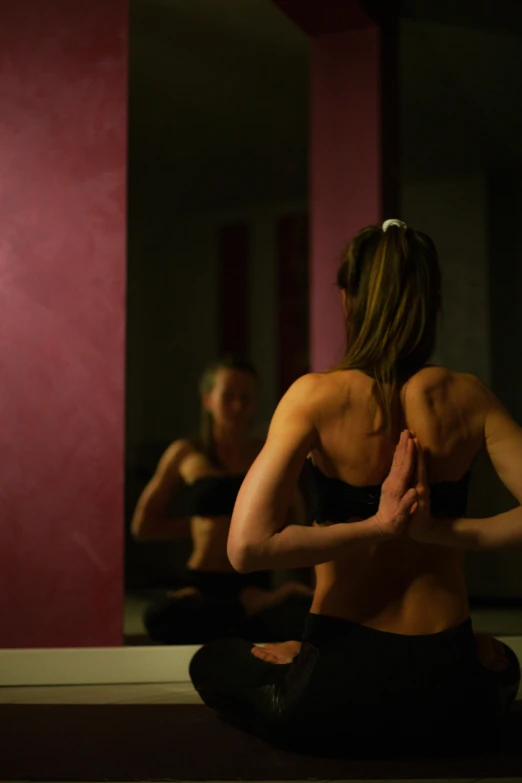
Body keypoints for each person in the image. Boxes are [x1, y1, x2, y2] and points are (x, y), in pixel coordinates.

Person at [189, 220, 521, 754]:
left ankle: (306, 656)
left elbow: (246, 548)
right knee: (503, 662)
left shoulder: (314, 397)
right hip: (450, 694)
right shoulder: (467, 396)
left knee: (213, 659)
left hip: (334, 689)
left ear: (348, 299)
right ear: (431, 300)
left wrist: (375, 526)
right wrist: (436, 533)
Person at [131, 356, 313, 644]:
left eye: (247, 397)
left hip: (254, 583)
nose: (238, 406)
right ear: (208, 400)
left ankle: (247, 610)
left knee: (303, 615)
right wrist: (195, 526)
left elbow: (296, 519)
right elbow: (143, 525)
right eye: (228, 396)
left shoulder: (266, 452)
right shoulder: (185, 453)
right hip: (203, 584)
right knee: (159, 616)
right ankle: (240, 611)